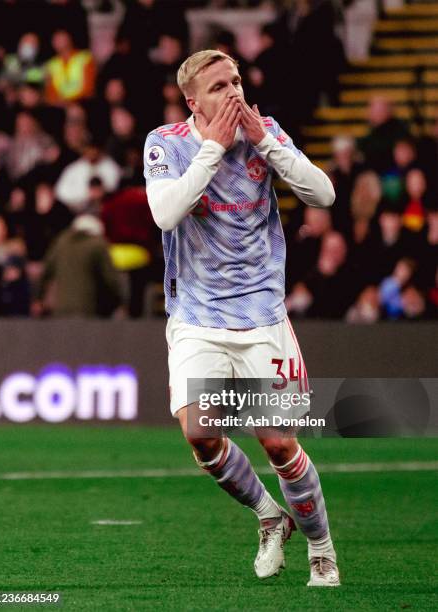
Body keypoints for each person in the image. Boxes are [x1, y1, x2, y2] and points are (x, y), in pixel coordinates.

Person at [143, 50, 339, 586]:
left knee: (278, 442)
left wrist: (268, 144)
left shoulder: (266, 132)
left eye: (236, 81)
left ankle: (321, 548)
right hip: (197, 316)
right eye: (219, 86)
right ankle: (268, 515)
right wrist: (213, 149)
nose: (233, 92)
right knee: (201, 434)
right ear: (192, 102)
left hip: (262, 316)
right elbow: (165, 212)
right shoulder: (166, 143)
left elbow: (323, 194)